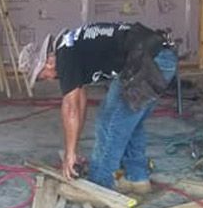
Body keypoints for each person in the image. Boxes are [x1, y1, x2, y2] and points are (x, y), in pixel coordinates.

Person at [18, 22, 177, 195]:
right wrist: (73, 149)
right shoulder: (70, 46)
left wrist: (70, 155)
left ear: (48, 63)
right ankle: (137, 179)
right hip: (156, 57)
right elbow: (80, 102)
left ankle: (98, 186)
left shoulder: (64, 56)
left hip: (148, 63)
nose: (48, 80)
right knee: (127, 122)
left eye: (42, 76)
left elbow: (70, 107)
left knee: (110, 123)